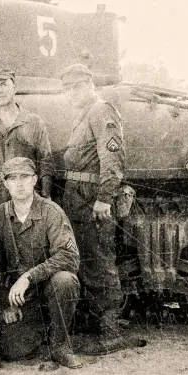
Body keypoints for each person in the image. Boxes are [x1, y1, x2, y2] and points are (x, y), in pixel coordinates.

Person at [0, 157, 82, 368]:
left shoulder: (51, 212)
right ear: (5, 183)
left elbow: (69, 255)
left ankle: (60, 345)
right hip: (21, 299)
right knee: (13, 351)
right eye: (13, 178)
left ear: (35, 180)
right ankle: (40, 329)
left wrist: (29, 277)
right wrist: (6, 304)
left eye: (25, 177)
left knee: (65, 280)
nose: (19, 183)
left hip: (47, 289)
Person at [59, 63, 128, 355]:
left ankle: (111, 334)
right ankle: (98, 326)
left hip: (91, 201)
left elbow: (113, 160)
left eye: (78, 86)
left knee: (99, 264)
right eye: (68, 88)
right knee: (85, 262)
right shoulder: (83, 116)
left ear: (90, 84)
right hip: (77, 199)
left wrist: (104, 198)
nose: (73, 93)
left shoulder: (101, 111)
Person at [0, 70, 54, 217]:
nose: (0, 90)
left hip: (28, 193)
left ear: (14, 87)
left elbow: (45, 161)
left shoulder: (33, 122)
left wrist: (46, 195)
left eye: (4, 84)